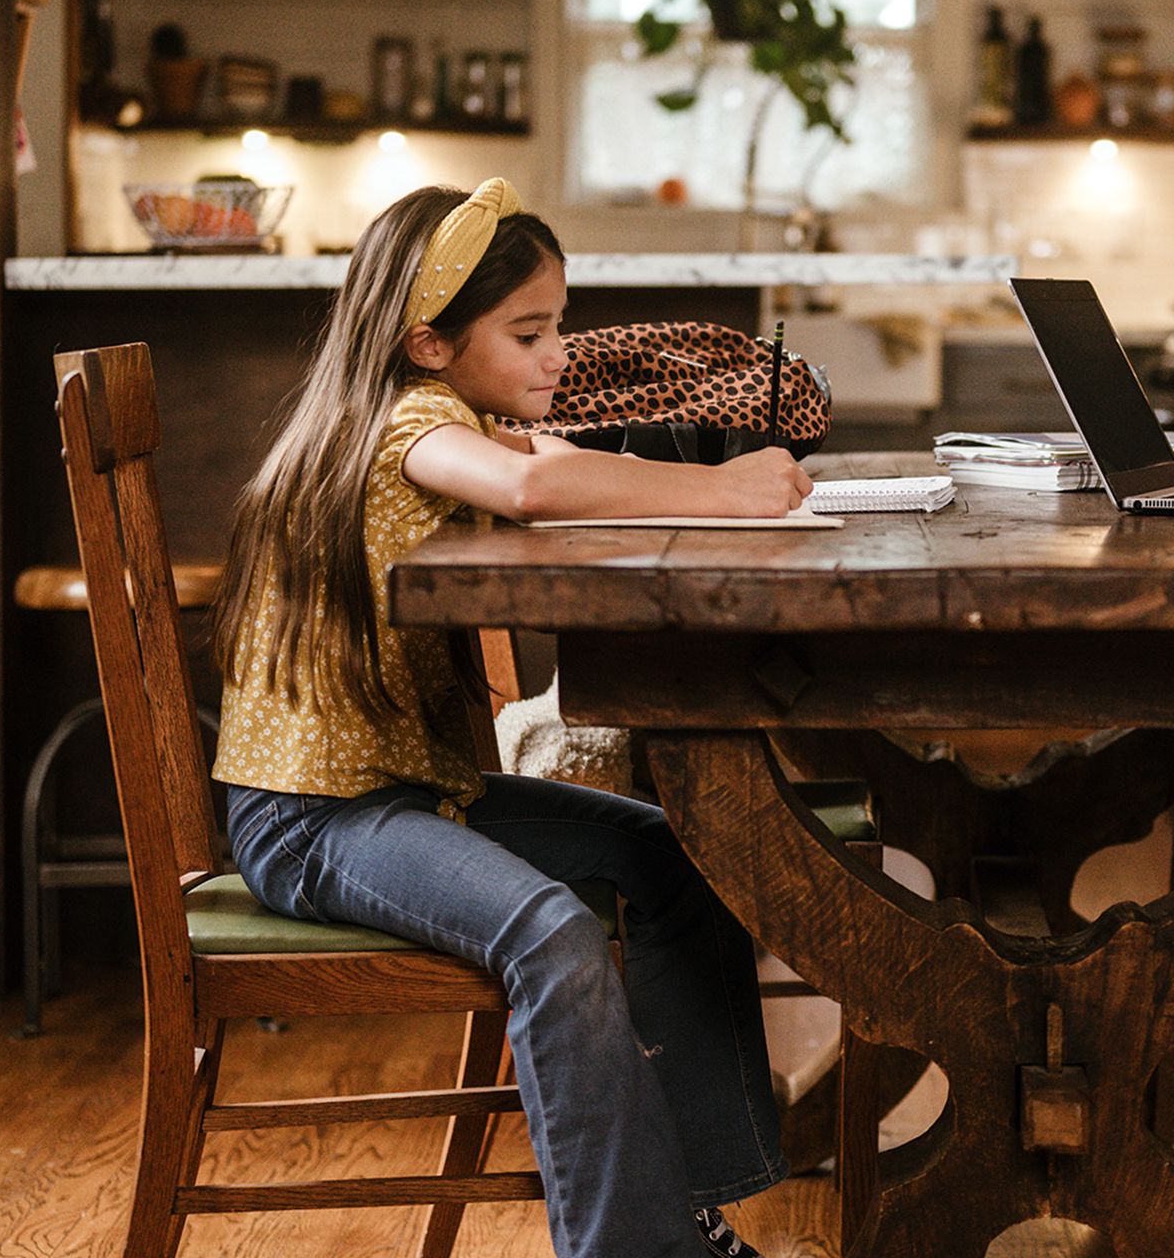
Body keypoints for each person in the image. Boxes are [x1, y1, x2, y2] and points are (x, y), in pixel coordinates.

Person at [208, 179, 812, 1258]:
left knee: (678, 856)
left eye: (559, 328)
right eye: (530, 332)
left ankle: (686, 1202)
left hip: (406, 798)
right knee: (552, 934)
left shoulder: (443, 411)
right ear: (430, 343)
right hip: (313, 821)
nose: (558, 355)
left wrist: (710, 476)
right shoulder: (404, 425)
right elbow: (529, 491)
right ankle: (639, 1246)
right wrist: (721, 496)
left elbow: (560, 466)